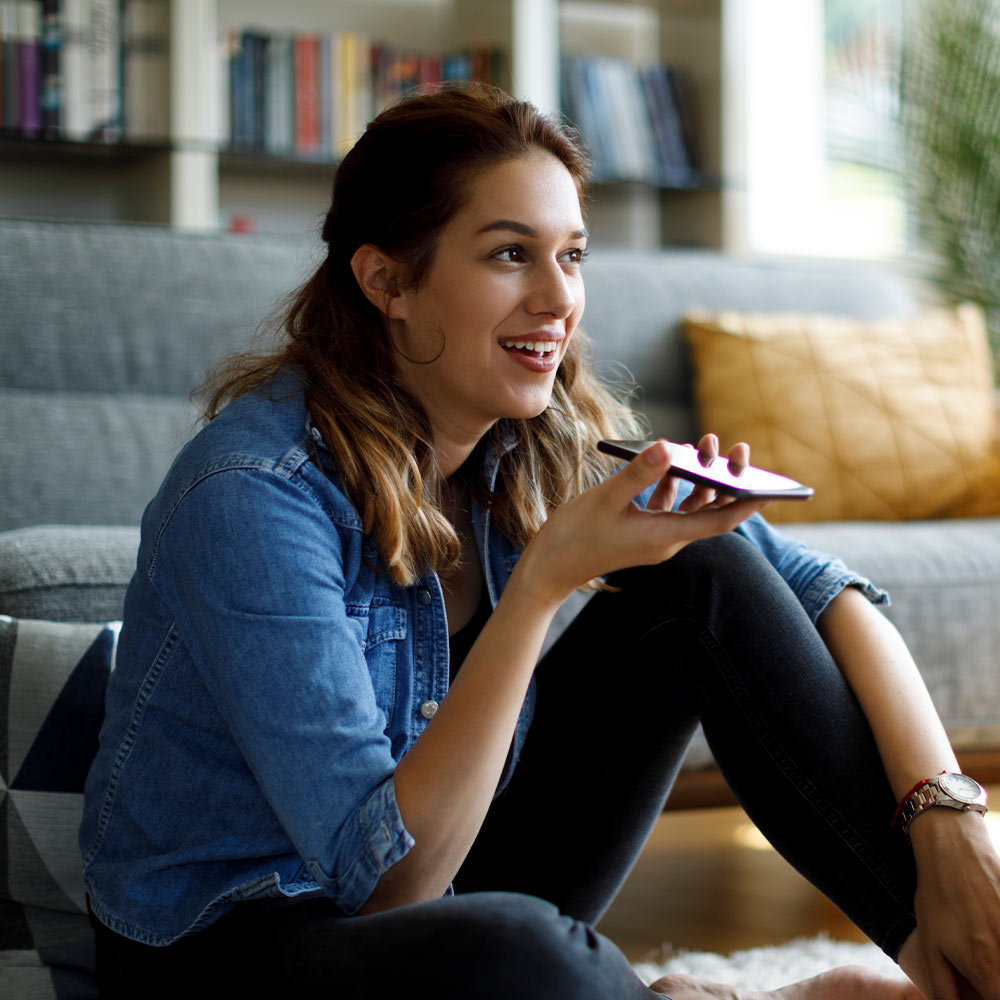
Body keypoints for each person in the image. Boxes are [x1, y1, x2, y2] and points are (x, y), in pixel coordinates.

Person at [80, 84, 1000, 1000]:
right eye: (511, 254)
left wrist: (946, 816)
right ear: (386, 281)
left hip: (441, 883)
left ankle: (962, 970)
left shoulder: (538, 439)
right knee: (527, 952)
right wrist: (544, 582)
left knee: (707, 571)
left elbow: (823, 592)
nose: (559, 299)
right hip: (239, 945)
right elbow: (389, 887)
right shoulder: (249, 495)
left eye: (572, 254)